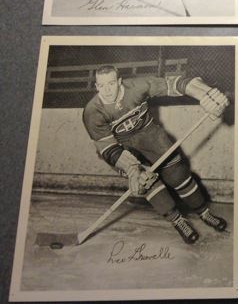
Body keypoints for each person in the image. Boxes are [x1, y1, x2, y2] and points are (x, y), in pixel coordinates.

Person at [83, 65, 229, 244]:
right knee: (147, 183)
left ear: (119, 82)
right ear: (96, 86)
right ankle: (178, 221)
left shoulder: (137, 86)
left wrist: (206, 93)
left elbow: (178, 83)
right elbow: (108, 149)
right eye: (101, 85)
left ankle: (204, 213)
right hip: (122, 148)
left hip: (150, 134)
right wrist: (133, 170)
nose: (107, 91)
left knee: (178, 174)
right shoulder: (92, 112)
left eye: (111, 84)